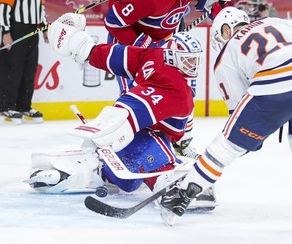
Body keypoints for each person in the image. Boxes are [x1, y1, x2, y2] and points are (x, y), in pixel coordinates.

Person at [158, 6, 292, 227]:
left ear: (225, 30)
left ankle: (181, 196)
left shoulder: (226, 54)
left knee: (226, 146)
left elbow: (238, 112)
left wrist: (244, 142)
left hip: (273, 88)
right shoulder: (276, 22)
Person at [25, 13, 216, 210]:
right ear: (171, 56)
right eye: (187, 60)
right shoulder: (165, 71)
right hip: (140, 135)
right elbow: (127, 75)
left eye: (194, 60)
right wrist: (85, 49)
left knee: (136, 162)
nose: (193, 66)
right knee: (141, 162)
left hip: (145, 135)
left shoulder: (165, 69)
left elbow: (124, 69)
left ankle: (80, 172)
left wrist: (83, 48)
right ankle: (165, 184)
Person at [106, 0, 231, 158]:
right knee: (137, 97)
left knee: (183, 91)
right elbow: (113, 21)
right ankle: (125, 149)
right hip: (132, 47)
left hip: (165, 44)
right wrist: (145, 47)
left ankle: (181, 143)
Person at [0, 0, 49, 124]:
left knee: (29, 69)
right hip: (15, 28)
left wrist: (44, 29)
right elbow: (3, 6)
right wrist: (5, 31)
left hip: (33, 30)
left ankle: (24, 106)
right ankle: (6, 106)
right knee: (12, 69)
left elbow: (41, 7)